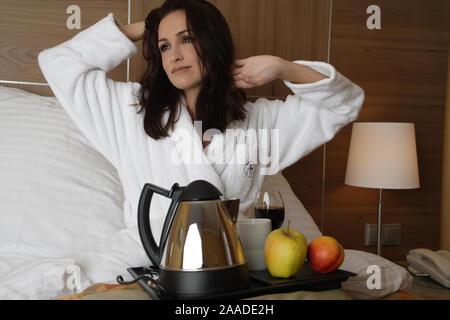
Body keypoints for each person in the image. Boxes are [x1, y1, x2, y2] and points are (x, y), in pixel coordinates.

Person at [38, 0, 364, 277]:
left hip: (230, 267)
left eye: (187, 39)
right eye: (164, 46)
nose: (174, 55)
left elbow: (344, 105)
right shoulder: (130, 111)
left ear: (212, 43)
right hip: (146, 263)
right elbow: (59, 64)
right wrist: (150, 26)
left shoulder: (258, 121)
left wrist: (282, 68)